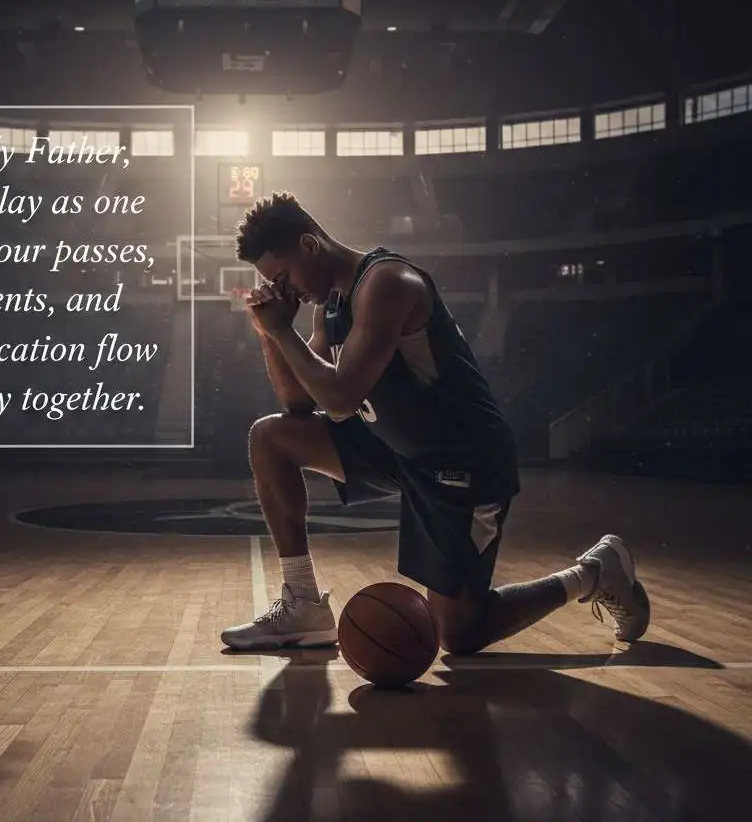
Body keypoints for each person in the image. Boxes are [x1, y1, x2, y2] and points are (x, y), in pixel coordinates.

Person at [221, 192, 651, 653]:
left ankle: (593, 573)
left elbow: (340, 398)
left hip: (462, 458)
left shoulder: (387, 282)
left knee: (459, 634)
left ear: (309, 244)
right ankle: (303, 601)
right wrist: (272, 332)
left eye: (283, 277)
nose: (288, 291)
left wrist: (282, 331)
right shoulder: (330, 305)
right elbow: (299, 403)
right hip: (396, 448)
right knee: (271, 438)